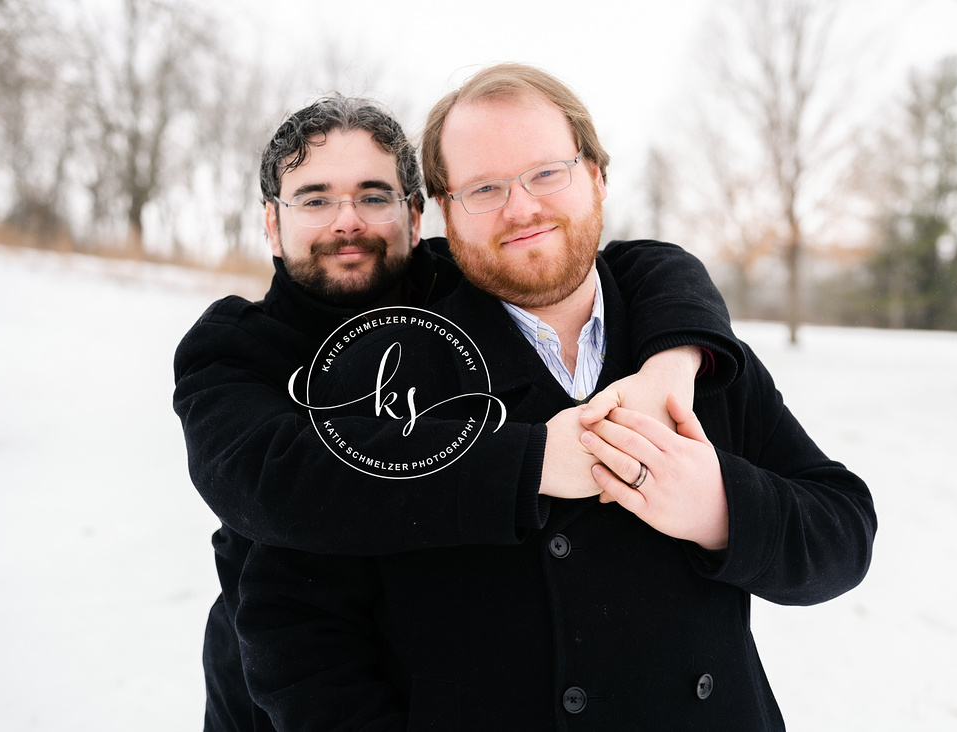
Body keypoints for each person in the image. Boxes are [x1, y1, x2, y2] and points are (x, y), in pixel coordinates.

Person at [235, 64, 877, 730]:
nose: (522, 208)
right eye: (485, 187)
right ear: (446, 212)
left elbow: (844, 533)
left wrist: (719, 506)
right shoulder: (385, 369)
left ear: (596, 176)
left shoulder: (690, 353)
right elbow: (294, 625)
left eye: (548, 172)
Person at [173, 93, 744, 730]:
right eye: (313, 200)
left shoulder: (461, 294)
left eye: (374, 196)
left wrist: (676, 360)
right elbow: (275, 480)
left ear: (418, 219)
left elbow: (634, 265)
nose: (347, 221)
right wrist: (530, 465)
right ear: (272, 225)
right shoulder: (234, 349)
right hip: (281, 696)